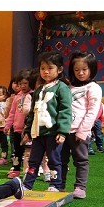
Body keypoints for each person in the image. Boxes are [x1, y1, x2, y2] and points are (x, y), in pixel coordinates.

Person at [22, 51, 72, 192]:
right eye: (43, 68)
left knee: (54, 159)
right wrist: (28, 130)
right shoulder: (38, 90)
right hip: (38, 133)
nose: (46, 71)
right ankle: (27, 185)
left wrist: (62, 131)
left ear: (59, 69)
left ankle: (55, 185)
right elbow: (32, 112)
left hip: (53, 132)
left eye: (50, 68)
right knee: (34, 159)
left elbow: (66, 110)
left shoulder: (62, 88)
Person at [60, 51, 102, 199]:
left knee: (81, 160)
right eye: (76, 70)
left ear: (92, 69)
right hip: (63, 131)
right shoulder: (68, 87)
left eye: (84, 69)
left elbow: (92, 112)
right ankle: (59, 185)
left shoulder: (93, 88)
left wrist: (82, 131)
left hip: (79, 132)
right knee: (61, 160)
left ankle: (80, 187)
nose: (80, 73)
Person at [4, 69, 32, 178]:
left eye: (25, 83)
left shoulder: (33, 95)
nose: (22, 86)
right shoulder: (17, 97)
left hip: (28, 129)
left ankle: (30, 169)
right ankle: (16, 169)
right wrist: (7, 125)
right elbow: (12, 113)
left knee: (29, 151)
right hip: (17, 129)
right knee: (17, 151)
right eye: (20, 84)